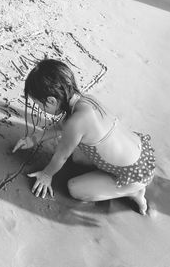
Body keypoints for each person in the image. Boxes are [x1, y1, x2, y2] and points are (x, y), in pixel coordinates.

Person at [12, 59, 155, 215]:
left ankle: (133, 191)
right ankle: (119, 180)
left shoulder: (77, 122)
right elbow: (61, 127)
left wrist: (46, 175)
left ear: (51, 101)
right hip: (140, 153)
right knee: (77, 156)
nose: (39, 108)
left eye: (38, 104)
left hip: (134, 175)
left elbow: (61, 156)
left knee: (75, 189)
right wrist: (33, 139)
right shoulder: (85, 101)